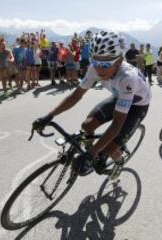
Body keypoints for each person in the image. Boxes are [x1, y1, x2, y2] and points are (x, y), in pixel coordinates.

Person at [33, 31, 151, 180]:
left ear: (120, 60)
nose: (100, 69)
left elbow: (116, 125)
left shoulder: (127, 78)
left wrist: (92, 153)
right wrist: (49, 116)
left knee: (110, 147)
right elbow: (76, 95)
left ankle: (119, 162)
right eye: (95, 62)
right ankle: (94, 151)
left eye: (106, 63)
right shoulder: (94, 68)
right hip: (119, 96)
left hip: (137, 105)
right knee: (87, 125)